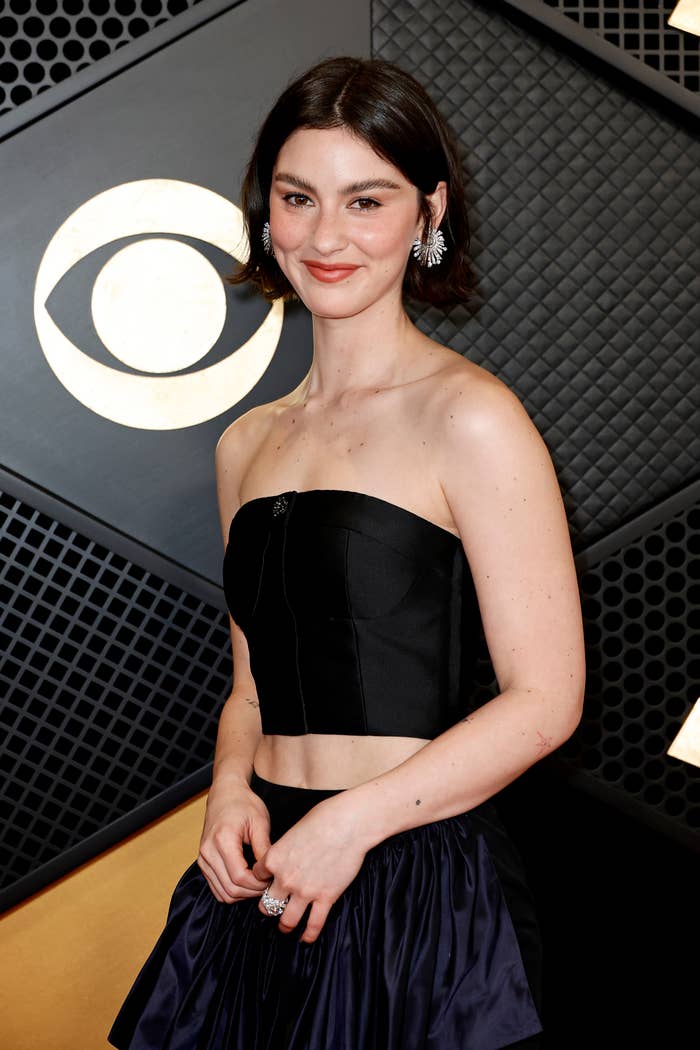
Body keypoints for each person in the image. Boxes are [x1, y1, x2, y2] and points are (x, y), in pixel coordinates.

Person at [107, 55, 585, 1050]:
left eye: (365, 200)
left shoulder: (474, 418)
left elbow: (545, 702)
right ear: (265, 210)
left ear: (427, 213)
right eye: (298, 198)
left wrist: (352, 824)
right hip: (264, 872)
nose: (325, 237)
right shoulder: (246, 442)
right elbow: (249, 686)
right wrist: (230, 787)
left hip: (412, 880)